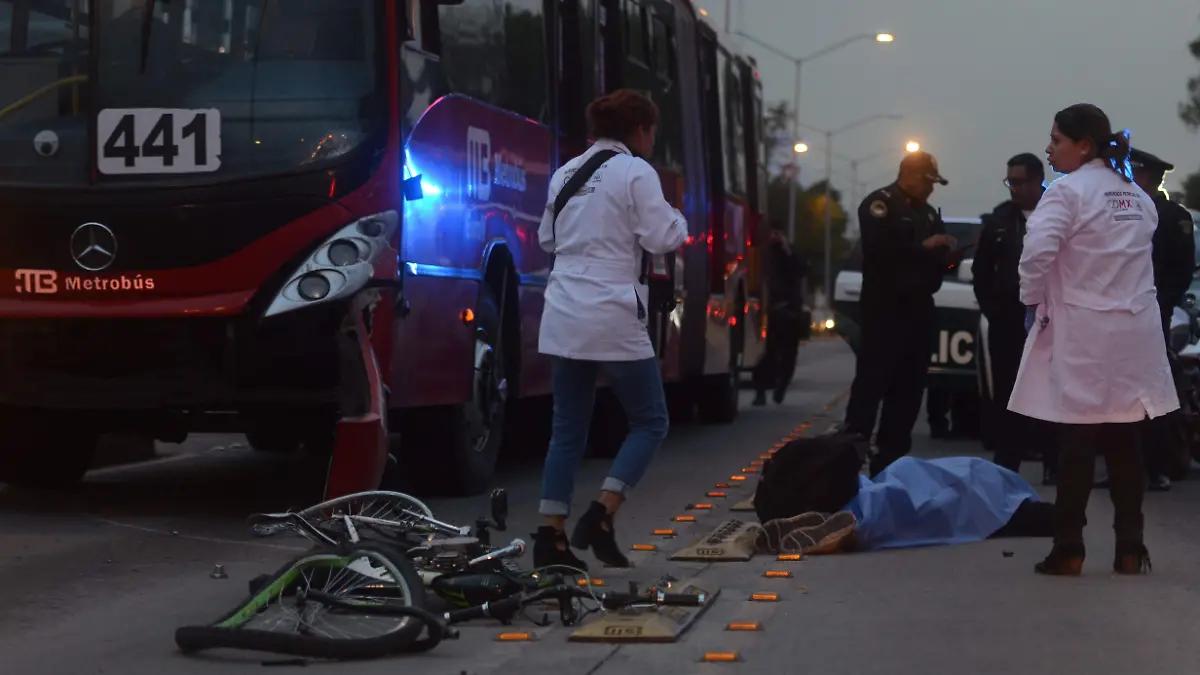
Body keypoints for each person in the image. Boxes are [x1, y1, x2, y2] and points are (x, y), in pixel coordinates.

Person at [1011, 103, 1178, 576]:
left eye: (1056, 140)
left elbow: (1035, 256)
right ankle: (1130, 548)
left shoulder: (1066, 194)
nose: (1048, 149)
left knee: (1078, 442)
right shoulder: (1137, 196)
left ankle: (1069, 548)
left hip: (1084, 331)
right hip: (1135, 334)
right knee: (1126, 440)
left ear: (1082, 145)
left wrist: (1032, 302)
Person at [533, 90, 687, 570]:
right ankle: (602, 512)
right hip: (612, 311)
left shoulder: (565, 173)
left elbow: (546, 238)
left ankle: (550, 537)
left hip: (563, 309)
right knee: (650, 420)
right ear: (640, 129)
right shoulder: (636, 172)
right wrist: (680, 218)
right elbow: (663, 237)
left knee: (566, 431)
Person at [842, 152, 958, 476]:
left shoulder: (930, 215)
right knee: (871, 387)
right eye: (927, 181)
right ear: (908, 174)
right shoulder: (881, 204)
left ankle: (889, 464)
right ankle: (849, 460)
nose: (930, 189)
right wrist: (923, 248)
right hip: (884, 311)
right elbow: (879, 252)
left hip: (918, 312)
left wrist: (947, 254)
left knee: (907, 394)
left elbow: (940, 264)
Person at [973, 153, 1059, 485]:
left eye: (1021, 182)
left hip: (1051, 318)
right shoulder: (999, 221)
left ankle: (1054, 460)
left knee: (1052, 389)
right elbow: (982, 271)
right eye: (1011, 182)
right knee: (1009, 389)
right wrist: (992, 309)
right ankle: (1007, 463)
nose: (1015, 188)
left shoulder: (1059, 212)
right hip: (1008, 318)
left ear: (1039, 180)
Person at [1129, 147, 1196, 492]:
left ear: (1150, 178)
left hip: (1154, 316)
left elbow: (1180, 272)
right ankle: (1124, 468)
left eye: (1136, 173)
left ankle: (1158, 467)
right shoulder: (1122, 213)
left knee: (1151, 397)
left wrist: (1155, 305)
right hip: (1120, 319)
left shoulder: (1171, 216)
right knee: (1121, 398)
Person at [753, 227, 807, 406]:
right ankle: (760, 392)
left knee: (789, 354)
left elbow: (800, 270)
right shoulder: (764, 253)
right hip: (770, 311)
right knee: (765, 355)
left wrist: (786, 249)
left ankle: (781, 386)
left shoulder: (790, 253)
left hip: (789, 310)